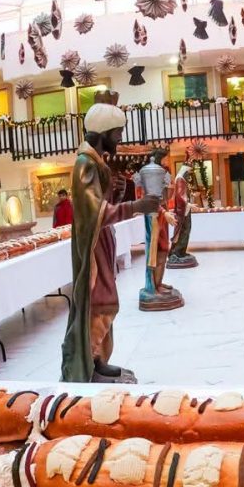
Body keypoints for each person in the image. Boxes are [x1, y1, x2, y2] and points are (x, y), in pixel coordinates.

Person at [60, 91, 159, 383]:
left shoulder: (95, 162)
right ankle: (88, 367)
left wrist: (116, 193)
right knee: (102, 301)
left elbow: (101, 204)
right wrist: (135, 206)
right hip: (93, 246)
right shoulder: (85, 164)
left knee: (102, 300)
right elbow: (93, 213)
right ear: (103, 132)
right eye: (117, 133)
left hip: (101, 242)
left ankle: (96, 359)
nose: (120, 139)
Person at [134, 148, 182, 311]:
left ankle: (158, 283)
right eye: (165, 159)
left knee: (163, 250)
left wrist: (169, 186)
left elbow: (165, 197)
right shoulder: (151, 174)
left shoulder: (162, 173)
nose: (167, 161)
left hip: (162, 217)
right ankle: (152, 286)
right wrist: (164, 212)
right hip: (154, 217)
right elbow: (150, 200)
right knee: (154, 253)